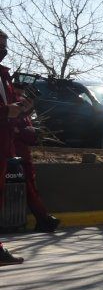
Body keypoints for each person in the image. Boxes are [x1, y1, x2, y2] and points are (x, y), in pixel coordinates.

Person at [0, 30, 33, 264]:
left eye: (5, 45)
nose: (3, 49)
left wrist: (22, 109)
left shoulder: (3, 75)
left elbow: (9, 108)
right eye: (0, 44)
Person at [11, 87, 60, 232]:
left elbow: (30, 136)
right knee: (30, 189)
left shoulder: (24, 113)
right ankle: (44, 218)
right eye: (18, 94)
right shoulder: (12, 109)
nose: (22, 98)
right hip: (13, 155)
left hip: (22, 156)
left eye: (23, 95)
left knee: (31, 188)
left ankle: (44, 218)